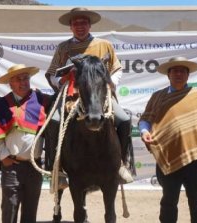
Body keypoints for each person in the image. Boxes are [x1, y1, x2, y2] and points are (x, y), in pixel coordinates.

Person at [44, 7, 134, 184]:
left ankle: (121, 164)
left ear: (90, 25)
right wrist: (61, 82)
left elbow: (116, 69)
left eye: (83, 22)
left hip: (99, 97)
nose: (80, 26)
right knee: (53, 121)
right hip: (71, 97)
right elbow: (52, 74)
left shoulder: (104, 45)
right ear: (70, 26)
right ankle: (57, 169)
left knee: (124, 120)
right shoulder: (63, 48)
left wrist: (109, 83)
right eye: (76, 23)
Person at [138, 56, 197, 223]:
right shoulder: (158, 97)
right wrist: (144, 131)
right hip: (168, 158)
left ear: (188, 75)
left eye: (182, 71)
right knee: (168, 202)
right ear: (168, 75)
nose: (178, 74)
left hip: (195, 160)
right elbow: (145, 119)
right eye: (174, 71)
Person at [0, 64, 51, 223]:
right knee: (9, 207)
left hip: (34, 166)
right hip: (12, 166)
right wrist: (4, 158)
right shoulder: (3, 104)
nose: (23, 82)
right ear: (10, 83)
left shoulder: (42, 100)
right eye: (18, 79)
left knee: (31, 210)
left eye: (26, 78)